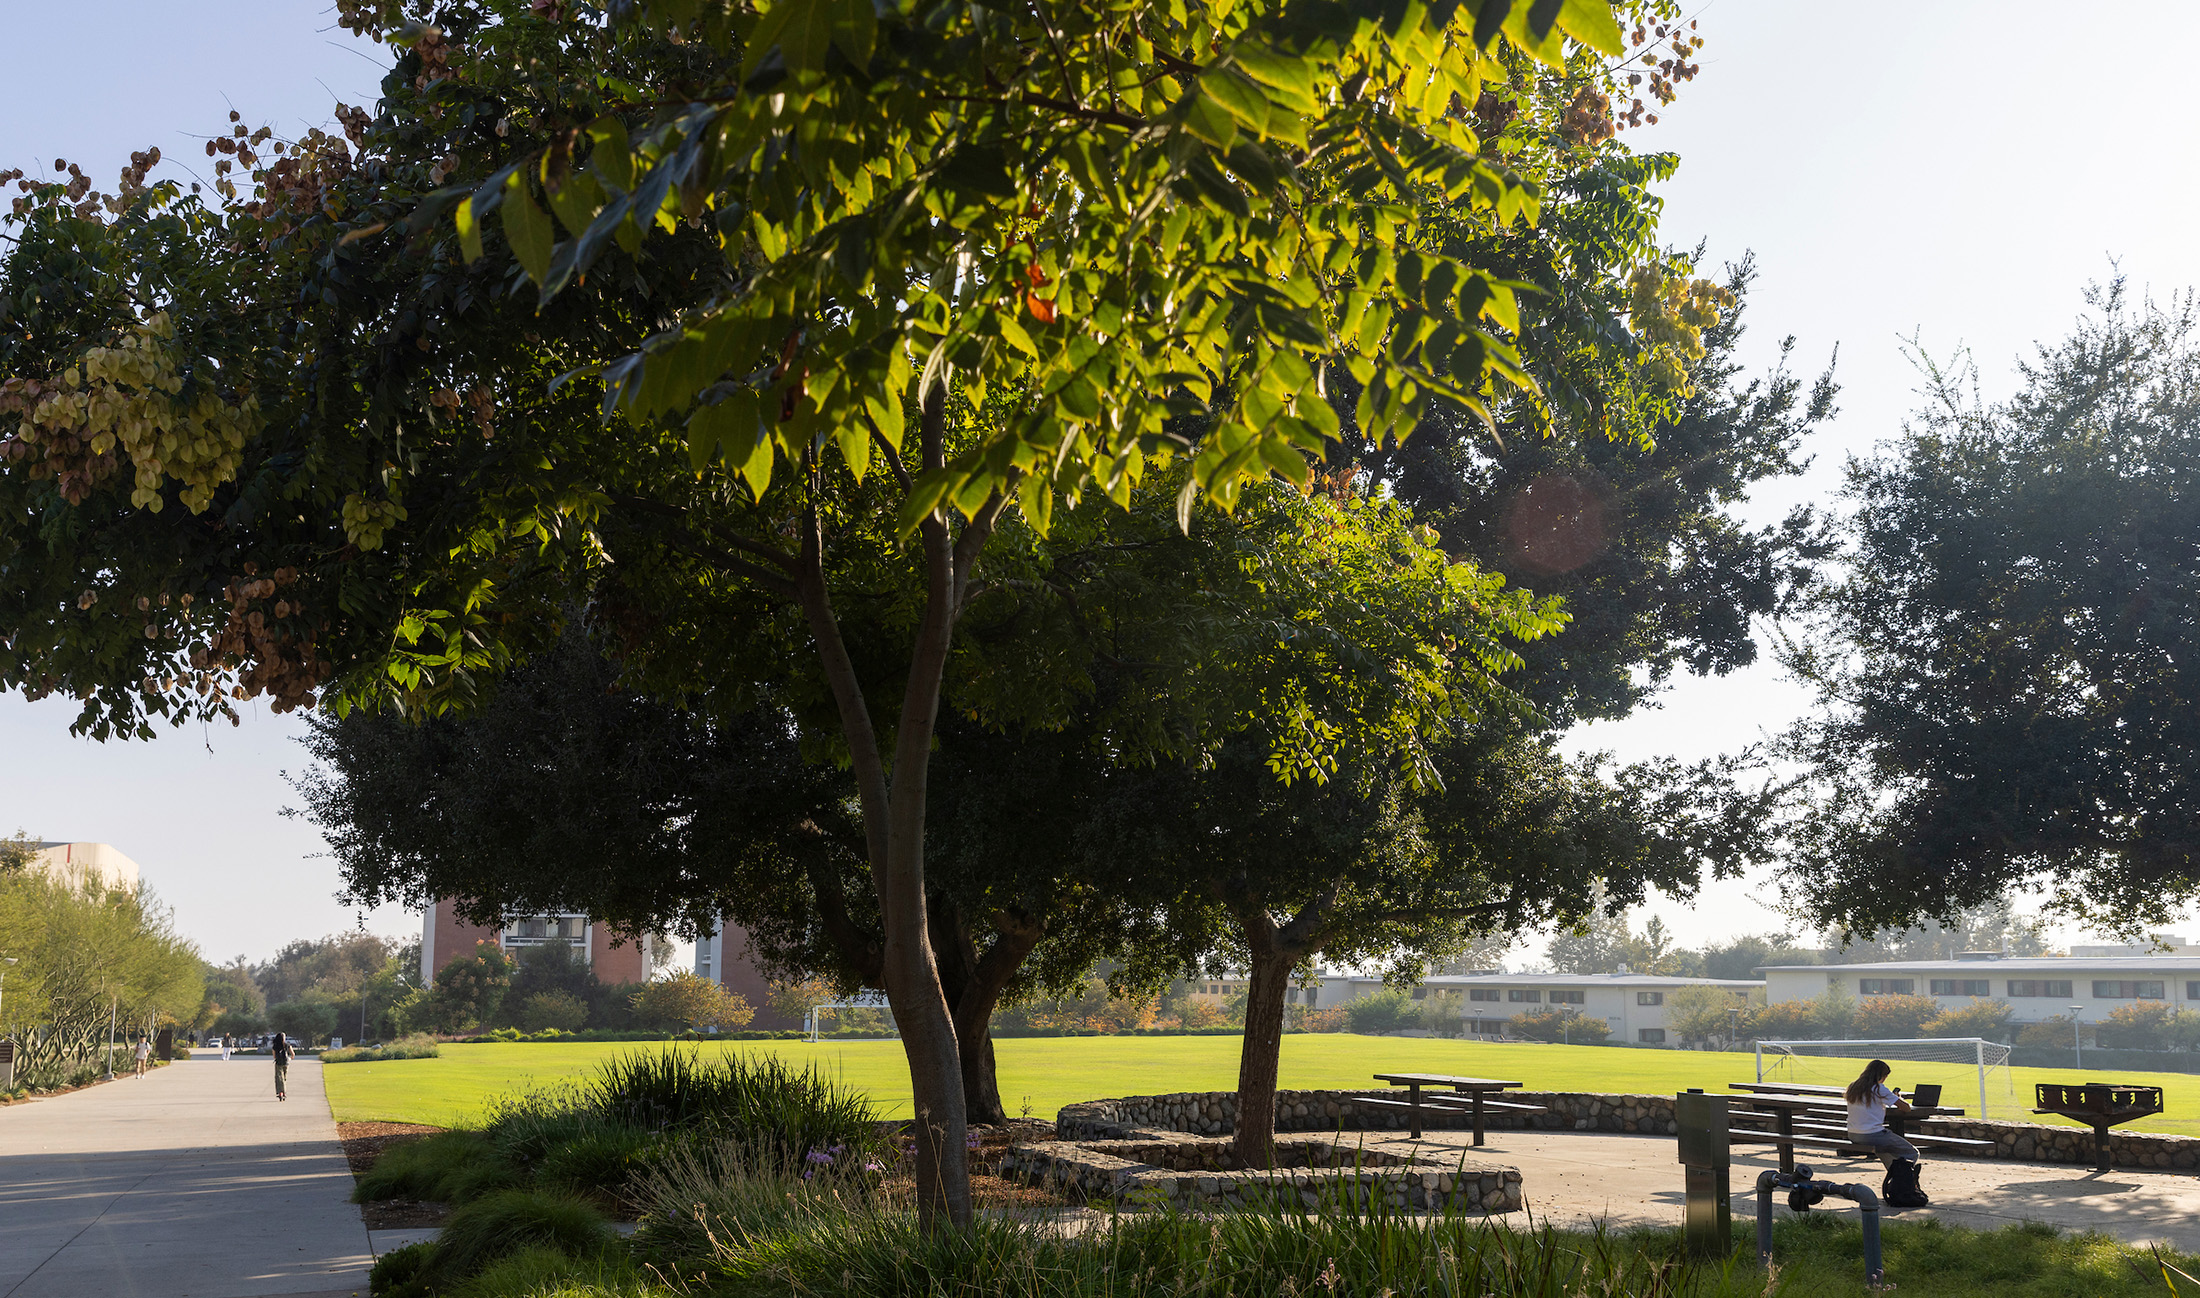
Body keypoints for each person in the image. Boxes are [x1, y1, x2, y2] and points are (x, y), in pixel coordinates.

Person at [1844, 1059, 1918, 1167]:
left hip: (1853, 1133)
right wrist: (1898, 1098)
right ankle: (1903, 1179)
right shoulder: (1878, 1088)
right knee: (1912, 1152)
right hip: (1872, 1134)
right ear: (1882, 1076)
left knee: (1886, 1151)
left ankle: (1894, 1174)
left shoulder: (1853, 1086)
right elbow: (1906, 1108)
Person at [271, 1031, 293, 1101]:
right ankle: (284, 1092)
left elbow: (274, 1056)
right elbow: (293, 1054)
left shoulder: (275, 1046)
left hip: (278, 1063)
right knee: (284, 1078)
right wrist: (289, 1059)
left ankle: (280, 1092)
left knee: (279, 1078)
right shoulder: (287, 1045)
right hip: (286, 1063)